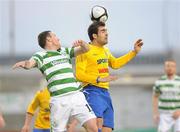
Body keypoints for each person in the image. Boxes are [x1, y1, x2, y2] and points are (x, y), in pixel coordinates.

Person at [13, 31, 98, 132]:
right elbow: (30, 64)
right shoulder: (40, 56)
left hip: (76, 95)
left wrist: (82, 43)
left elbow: (86, 49)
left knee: (93, 127)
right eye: (55, 36)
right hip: (59, 100)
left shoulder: (64, 51)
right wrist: (25, 64)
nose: (58, 38)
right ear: (49, 39)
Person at [75, 21, 143, 132]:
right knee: (96, 127)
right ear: (94, 36)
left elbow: (115, 64)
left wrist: (134, 52)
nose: (107, 34)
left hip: (105, 93)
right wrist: (98, 79)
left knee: (107, 129)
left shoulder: (105, 50)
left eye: (106, 31)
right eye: (103, 31)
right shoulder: (83, 50)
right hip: (92, 91)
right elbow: (79, 74)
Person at [152, 60, 180, 132]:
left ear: (175, 68)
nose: (170, 68)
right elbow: (155, 97)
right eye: (168, 66)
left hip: (178, 113)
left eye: (172, 66)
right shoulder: (159, 82)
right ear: (164, 68)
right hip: (164, 114)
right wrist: (155, 113)